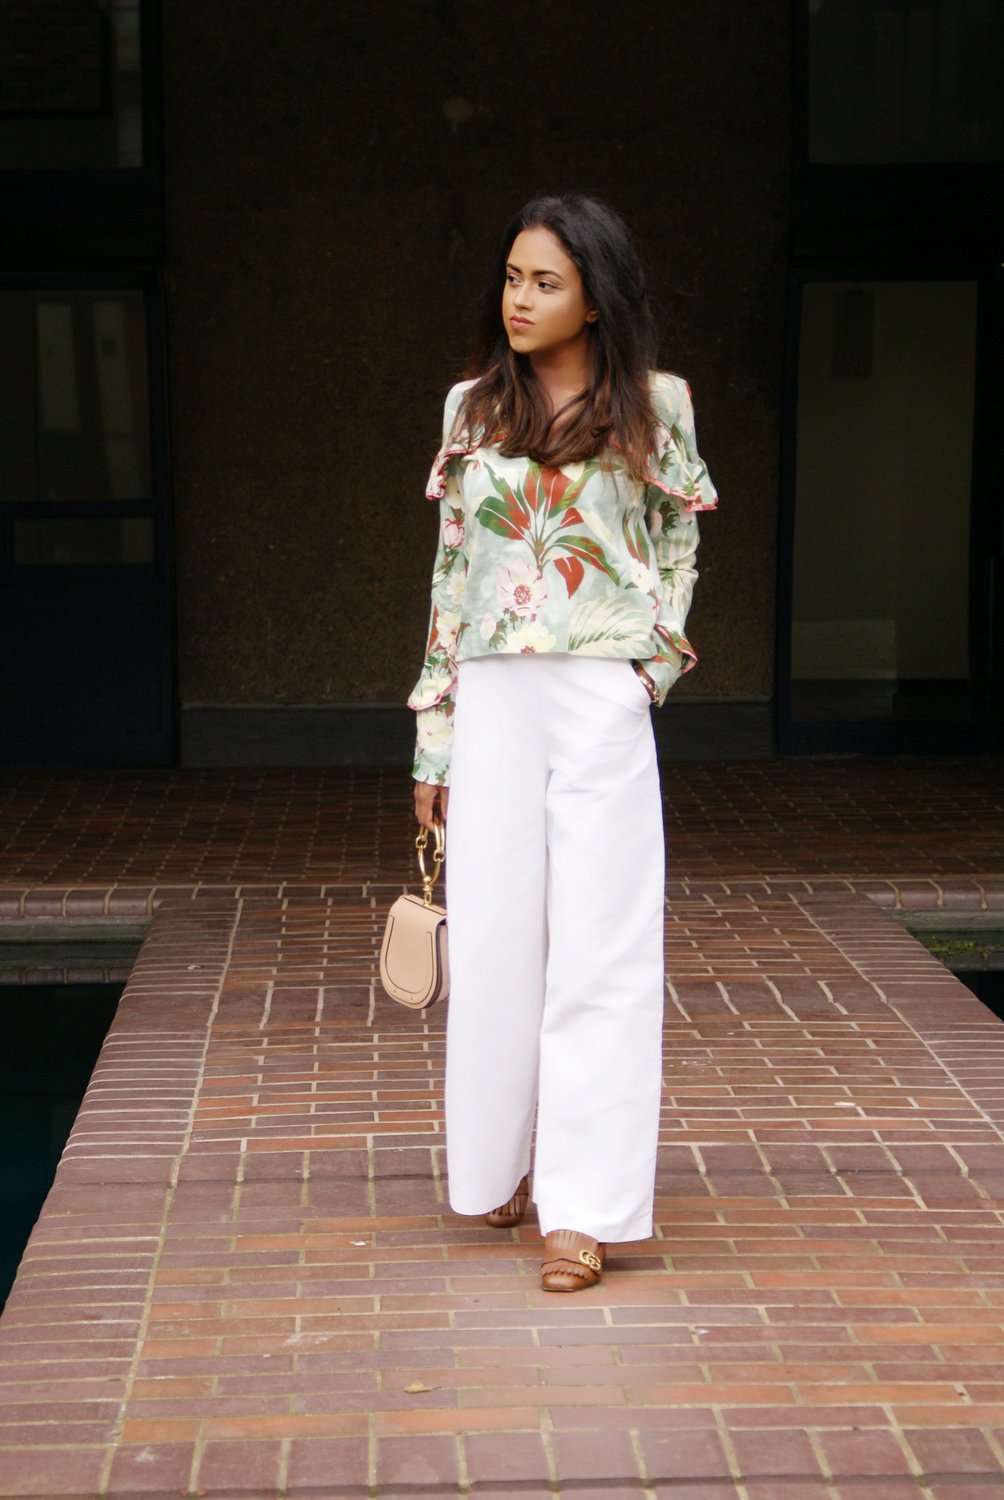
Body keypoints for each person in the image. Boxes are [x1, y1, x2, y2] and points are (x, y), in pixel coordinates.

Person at [408, 193, 718, 1292]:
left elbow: (678, 540)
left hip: (597, 694)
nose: (520, 299)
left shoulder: (653, 405)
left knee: (601, 949)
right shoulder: (469, 407)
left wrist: (651, 669)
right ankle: (492, 1171)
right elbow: (449, 580)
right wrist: (432, 743)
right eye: (509, 278)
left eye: (543, 281)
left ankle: (581, 1211)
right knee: (494, 944)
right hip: (491, 694)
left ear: (594, 295)